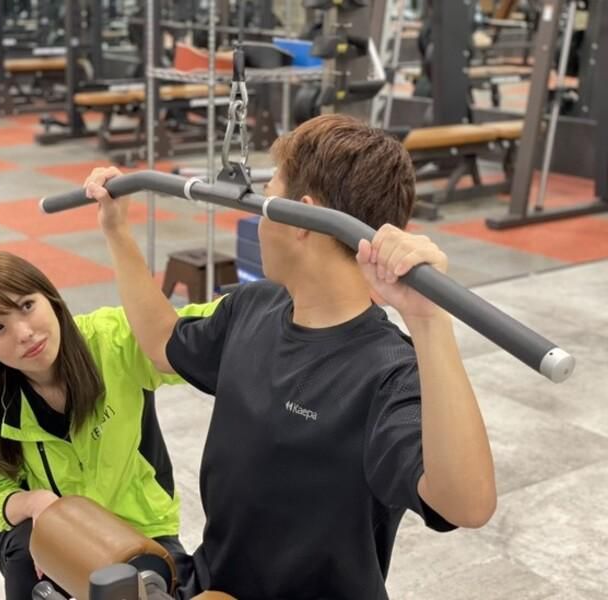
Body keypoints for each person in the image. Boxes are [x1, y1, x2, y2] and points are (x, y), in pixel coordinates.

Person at [84, 113, 498, 599]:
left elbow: (467, 505)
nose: (258, 220)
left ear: (300, 219)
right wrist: (116, 229)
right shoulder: (253, 307)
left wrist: (428, 321)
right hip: (214, 588)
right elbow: (161, 344)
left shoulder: (388, 373)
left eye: (266, 202)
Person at [0, 251, 218, 600]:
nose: (24, 333)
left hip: (139, 528)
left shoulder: (110, 342)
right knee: (24, 550)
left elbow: (197, 330)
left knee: (148, 588)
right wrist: (36, 504)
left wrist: (271, 307)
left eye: (27, 305)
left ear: (50, 298)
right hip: (50, 534)